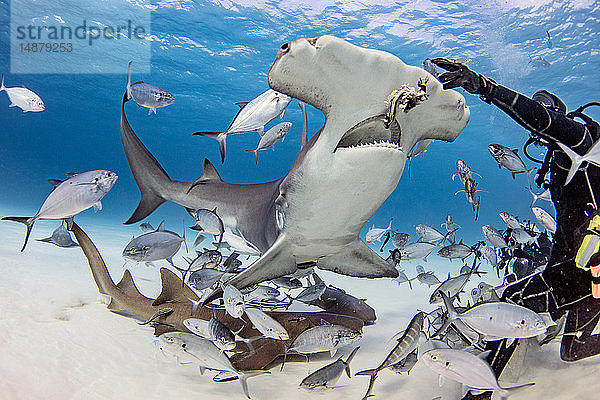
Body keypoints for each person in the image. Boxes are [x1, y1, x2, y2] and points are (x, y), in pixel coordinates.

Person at [430, 58, 600, 399]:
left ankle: (480, 393)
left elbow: (546, 121)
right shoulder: (561, 157)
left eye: (545, 110)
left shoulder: (585, 140)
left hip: (591, 270)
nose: (539, 123)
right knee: (570, 351)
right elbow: (569, 225)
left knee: (513, 302)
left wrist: (485, 87)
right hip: (572, 265)